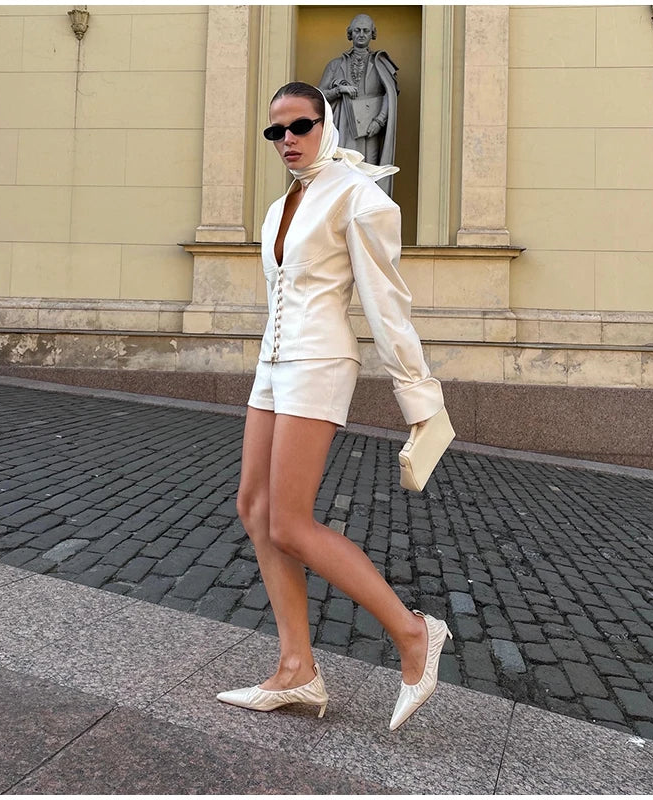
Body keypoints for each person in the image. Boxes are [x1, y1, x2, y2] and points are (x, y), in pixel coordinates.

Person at [215, 82, 451, 732]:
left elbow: (387, 303)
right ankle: (297, 670)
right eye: (276, 132)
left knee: (290, 522)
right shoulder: (280, 206)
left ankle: (413, 634)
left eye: (299, 125)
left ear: (328, 124)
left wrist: (420, 399)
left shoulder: (358, 197)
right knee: (253, 507)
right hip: (274, 362)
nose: (287, 140)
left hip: (319, 362)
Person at [319, 13, 398, 196]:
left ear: (372, 34)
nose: (361, 34)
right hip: (343, 125)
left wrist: (379, 121)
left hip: (370, 127)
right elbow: (319, 95)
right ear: (350, 34)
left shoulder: (381, 64)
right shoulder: (335, 65)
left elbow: (389, 94)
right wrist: (339, 90)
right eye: (357, 30)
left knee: (369, 172)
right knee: (342, 171)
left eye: (366, 31)